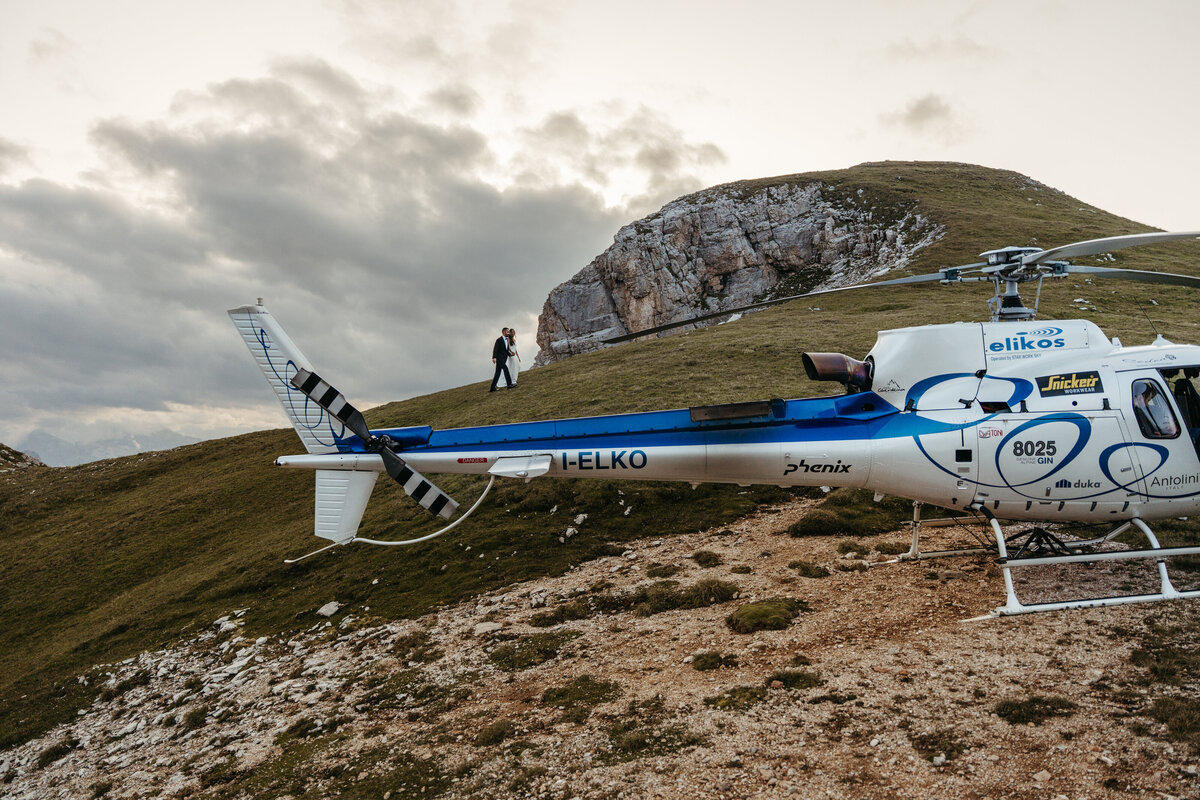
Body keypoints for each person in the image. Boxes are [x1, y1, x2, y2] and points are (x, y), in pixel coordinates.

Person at [489, 327, 515, 392]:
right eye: (507, 332)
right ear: (503, 332)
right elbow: (495, 349)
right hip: (499, 359)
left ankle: (492, 388)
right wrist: (494, 357)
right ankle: (509, 384)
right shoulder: (499, 340)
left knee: (497, 373)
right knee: (506, 369)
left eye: (509, 332)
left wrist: (510, 354)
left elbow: (506, 351)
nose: (509, 333)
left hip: (504, 359)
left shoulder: (507, 340)